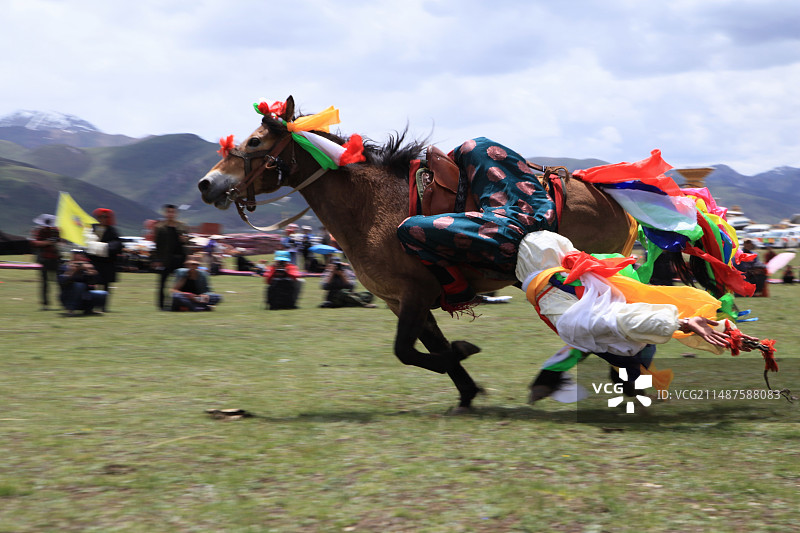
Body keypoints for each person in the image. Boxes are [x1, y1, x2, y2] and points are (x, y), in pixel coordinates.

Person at [515, 231, 756, 403]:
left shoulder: (567, 282)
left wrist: (727, 331)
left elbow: (624, 316)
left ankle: (628, 388)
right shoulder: (567, 302)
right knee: (608, 343)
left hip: (617, 309)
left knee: (610, 345)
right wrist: (681, 323)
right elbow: (617, 320)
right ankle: (628, 390)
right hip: (611, 319)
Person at [397, 137, 557, 312]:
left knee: (408, 229)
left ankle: (458, 291)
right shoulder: (474, 147)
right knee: (475, 146)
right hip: (543, 212)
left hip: (510, 234)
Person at [84, 208, 123, 311]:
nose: (102, 219)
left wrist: (105, 248)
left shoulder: (112, 231)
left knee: (106, 285)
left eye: (105, 217)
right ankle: (91, 305)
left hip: (107, 262)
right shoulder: (91, 229)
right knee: (92, 283)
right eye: (100, 216)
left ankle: (104, 306)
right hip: (94, 262)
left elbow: (118, 244)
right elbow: (85, 242)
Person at [152, 204, 189, 310]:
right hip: (166, 259)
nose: (170, 214)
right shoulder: (159, 227)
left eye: (172, 212)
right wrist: (157, 259)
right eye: (168, 212)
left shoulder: (182, 226)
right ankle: (161, 305)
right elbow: (157, 245)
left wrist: (185, 240)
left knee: (180, 283)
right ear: (165, 213)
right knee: (163, 283)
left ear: (176, 214)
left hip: (180, 258)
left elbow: (188, 241)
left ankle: (178, 304)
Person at [58, 250, 108, 316]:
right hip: (68, 296)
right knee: (79, 285)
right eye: (78, 254)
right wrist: (74, 270)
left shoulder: (86, 267)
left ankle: (89, 310)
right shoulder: (65, 266)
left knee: (102, 293)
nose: (81, 255)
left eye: (82, 254)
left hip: (84, 296)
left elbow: (93, 283)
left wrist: (92, 274)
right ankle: (70, 310)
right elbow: (63, 282)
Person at [29, 213, 62, 310]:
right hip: (44, 259)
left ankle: (63, 301)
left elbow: (59, 241)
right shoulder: (39, 231)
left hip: (55, 259)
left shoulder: (56, 231)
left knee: (59, 282)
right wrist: (47, 242)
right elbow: (34, 243)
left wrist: (55, 243)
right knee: (44, 283)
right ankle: (45, 304)